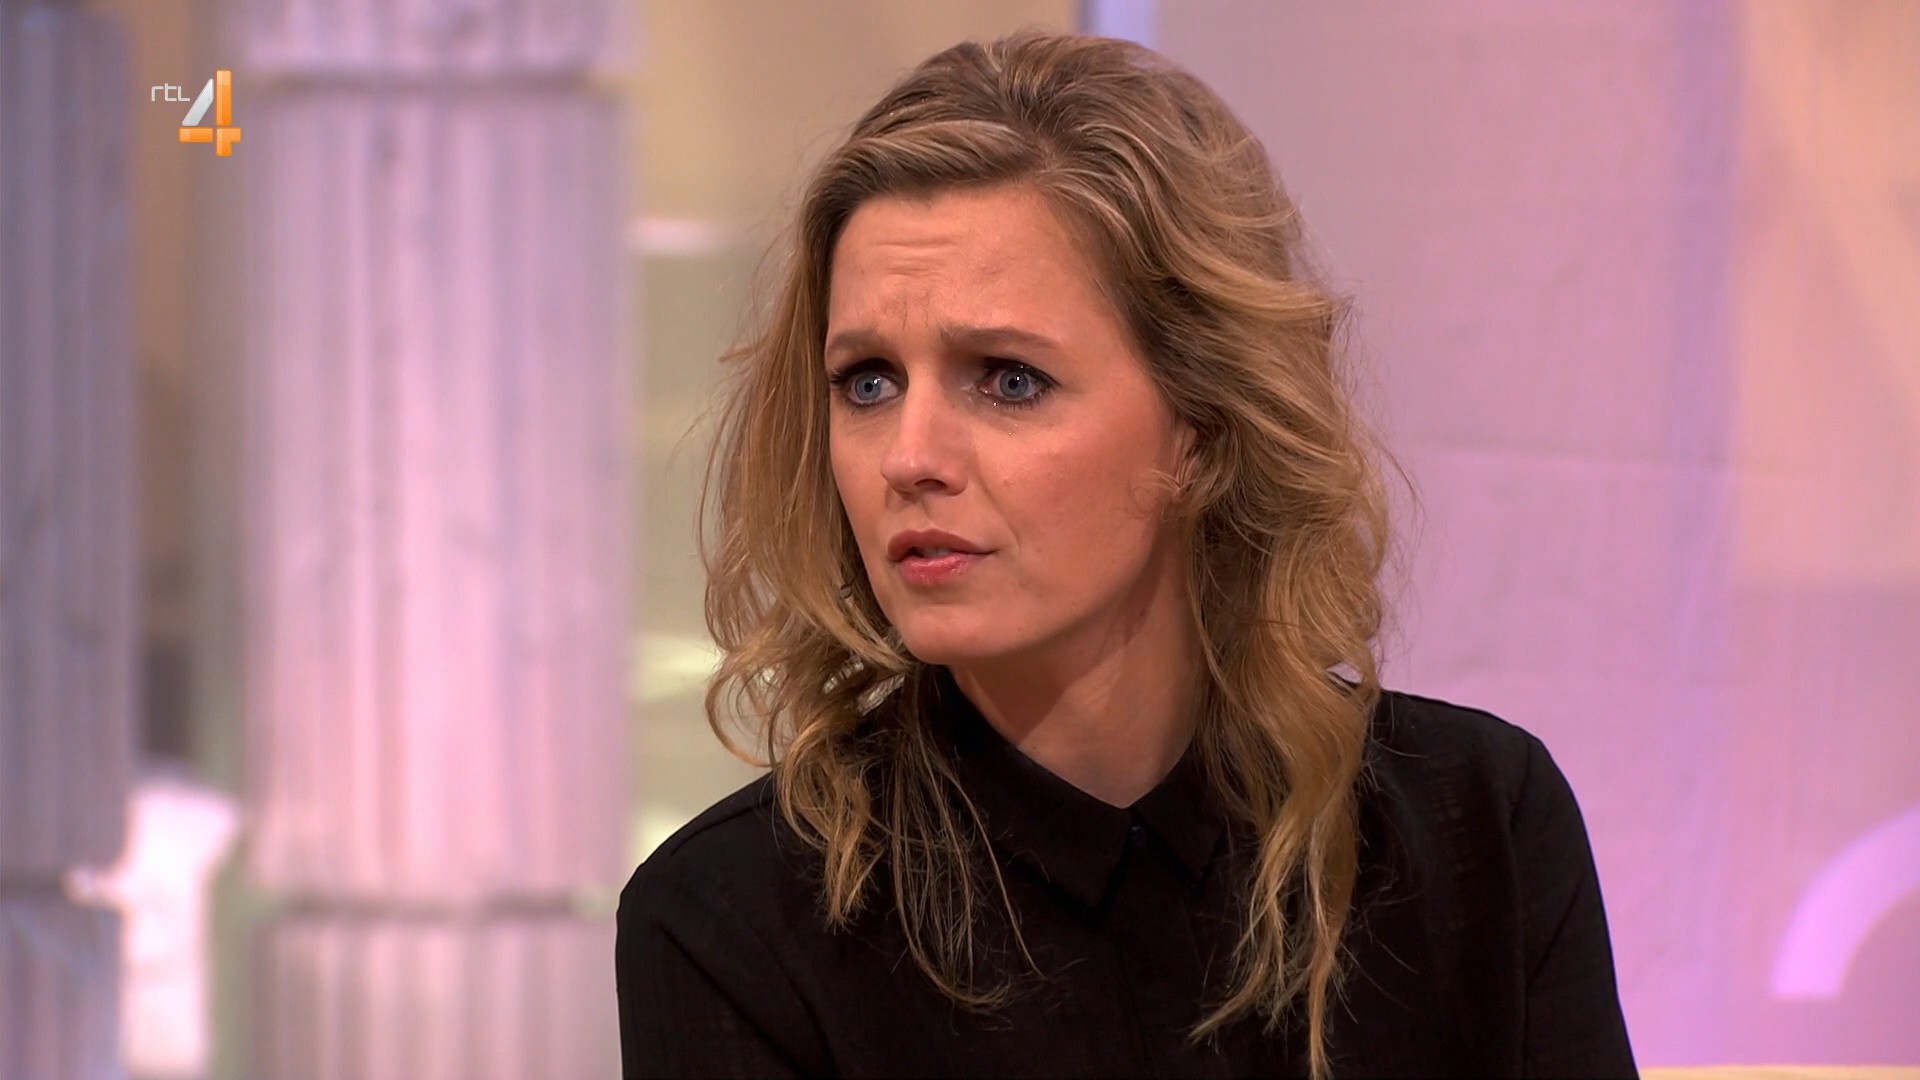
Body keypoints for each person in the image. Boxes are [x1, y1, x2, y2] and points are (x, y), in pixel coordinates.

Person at [616, 28, 1637, 1080]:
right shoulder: (731, 923)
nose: (909, 458)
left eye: (1008, 379)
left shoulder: (1479, 825)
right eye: (868, 382)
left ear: (1203, 425)